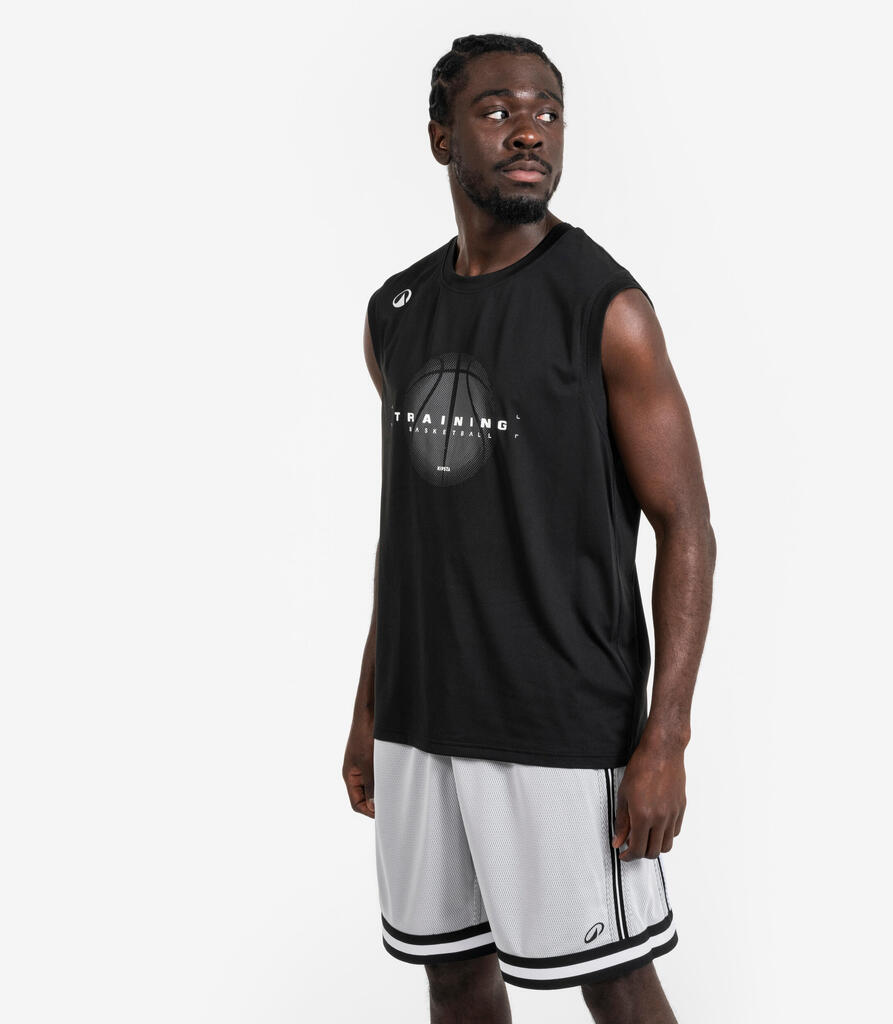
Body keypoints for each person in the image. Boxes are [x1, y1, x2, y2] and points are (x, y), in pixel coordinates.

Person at [343, 33, 716, 1024]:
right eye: (498, 110)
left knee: (615, 977)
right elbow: (411, 530)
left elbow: (687, 525)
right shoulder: (394, 313)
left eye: (547, 112)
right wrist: (371, 702)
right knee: (453, 973)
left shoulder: (606, 309)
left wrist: (666, 736)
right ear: (441, 137)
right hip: (422, 716)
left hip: (559, 719)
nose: (529, 132)